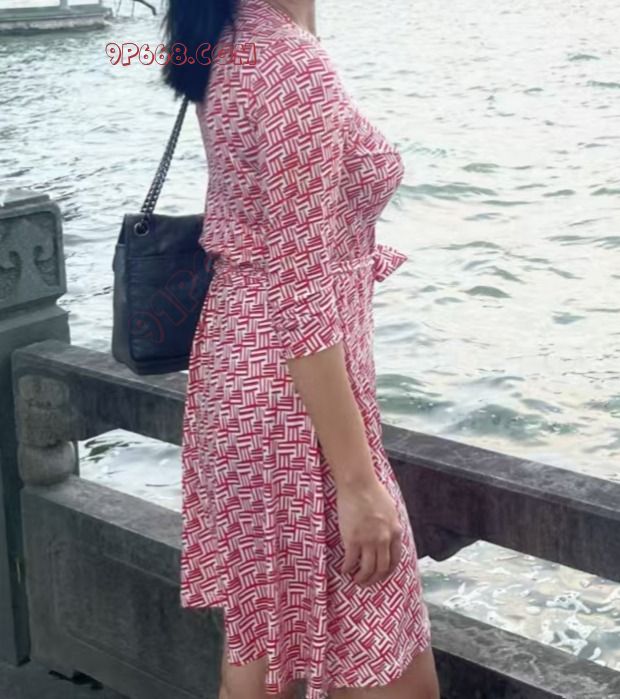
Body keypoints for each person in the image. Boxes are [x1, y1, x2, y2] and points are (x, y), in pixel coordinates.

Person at [163, 1, 440, 697]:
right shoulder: (292, 66)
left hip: (240, 370)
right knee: (393, 672)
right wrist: (357, 482)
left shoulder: (230, 39)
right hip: (294, 397)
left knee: (262, 647)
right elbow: (301, 291)